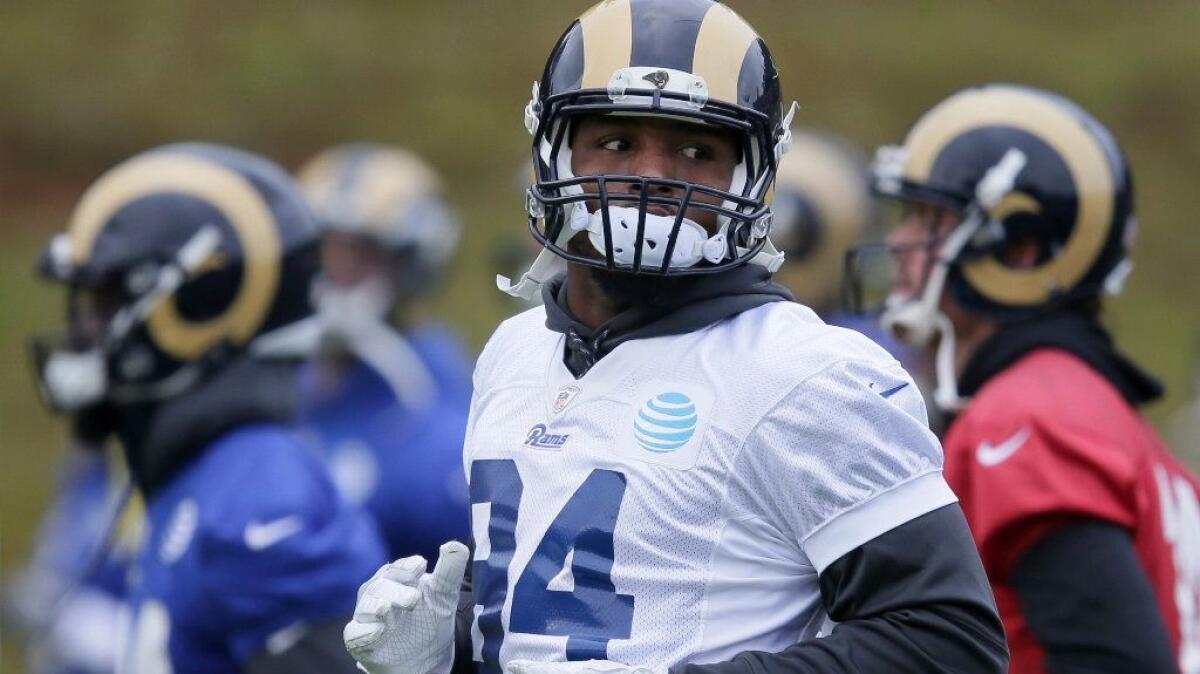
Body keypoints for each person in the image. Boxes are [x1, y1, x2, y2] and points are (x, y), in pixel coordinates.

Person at [344, 2, 1007, 674]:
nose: (652, 174)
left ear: (752, 174)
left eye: (696, 150)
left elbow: (948, 641)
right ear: (552, 150)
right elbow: (556, 621)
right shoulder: (515, 351)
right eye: (616, 141)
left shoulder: (806, 375)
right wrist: (451, 648)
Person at [850, 83, 1197, 673]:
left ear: (1020, 250)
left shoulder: (1026, 417)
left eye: (928, 219)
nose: (901, 242)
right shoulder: (1086, 405)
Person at [31, 142, 386, 673]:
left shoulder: (257, 500)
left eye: (106, 303)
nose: (84, 330)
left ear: (200, 307)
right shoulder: (203, 476)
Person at [294, 143, 472, 561]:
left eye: (358, 255)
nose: (333, 275)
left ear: (408, 264)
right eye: (323, 253)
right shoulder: (285, 378)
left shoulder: (427, 399)